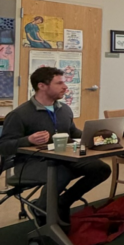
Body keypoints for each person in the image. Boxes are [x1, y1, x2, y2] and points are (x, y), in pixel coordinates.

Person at [0, 67, 110, 226]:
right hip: (30, 164)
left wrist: (95, 136)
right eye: (59, 83)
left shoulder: (64, 109)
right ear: (41, 86)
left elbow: (72, 132)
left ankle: (62, 202)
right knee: (60, 172)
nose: (65, 87)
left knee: (101, 168)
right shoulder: (19, 114)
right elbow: (4, 146)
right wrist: (28, 140)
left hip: (63, 158)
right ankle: (43, 209)